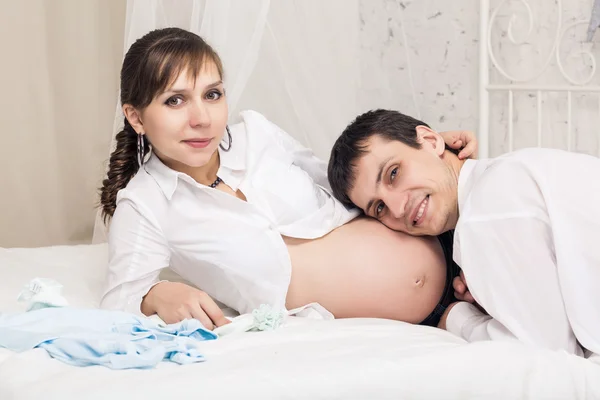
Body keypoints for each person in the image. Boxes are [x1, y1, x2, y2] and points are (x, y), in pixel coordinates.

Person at [98, 28, 477, 330]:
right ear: (135, 117)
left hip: (456, 247)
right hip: (436, 319)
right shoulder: (145, 203)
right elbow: (119, 302)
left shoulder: (257, 134)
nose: (201, 118)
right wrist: (156, 294)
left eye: (212, 94)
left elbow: (345, 185)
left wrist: (437, 158)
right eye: (175, 101)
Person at [327, 108, 600, 358]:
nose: (397, 209)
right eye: (379, 208)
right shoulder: (511, 174)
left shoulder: (485, 210)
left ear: (432, 141)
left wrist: (458, 319)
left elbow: (551, 359)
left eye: (394, 173)